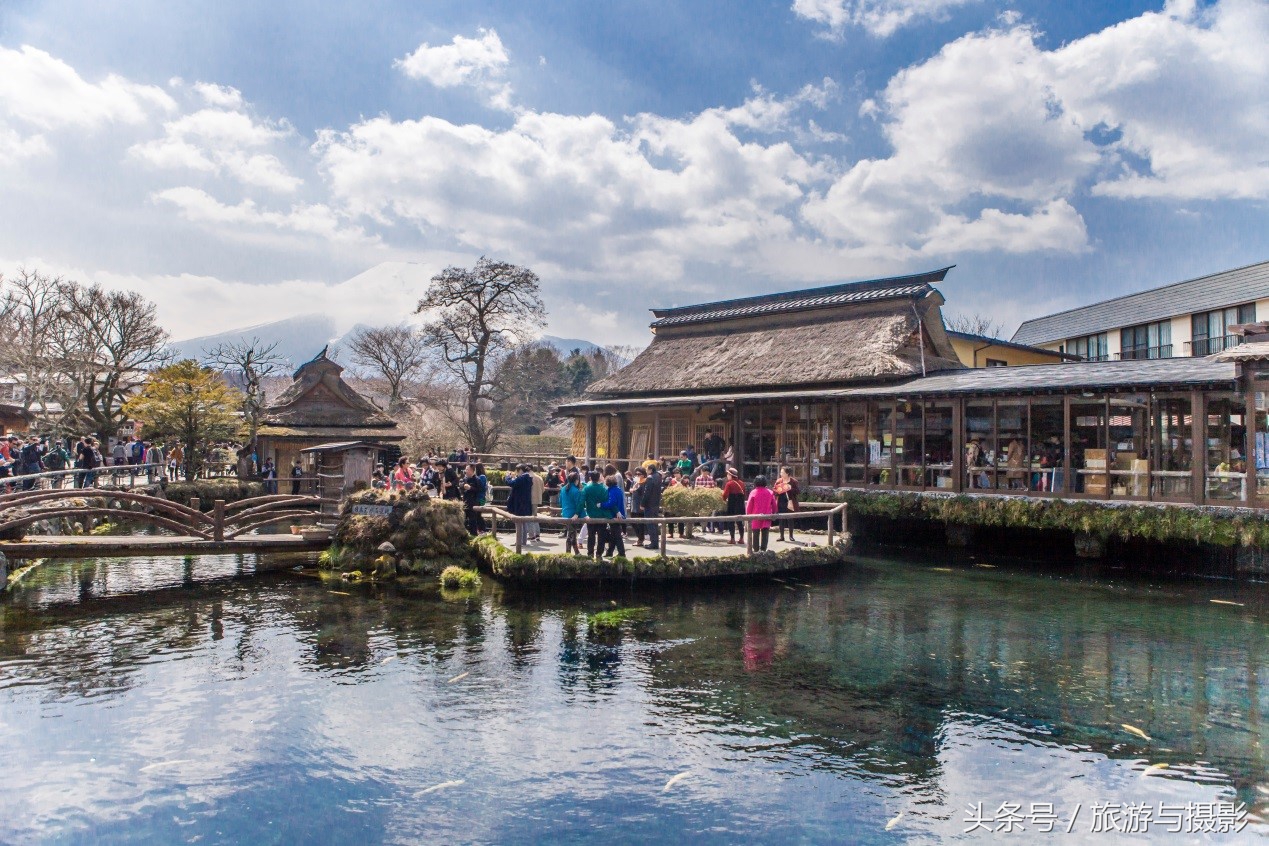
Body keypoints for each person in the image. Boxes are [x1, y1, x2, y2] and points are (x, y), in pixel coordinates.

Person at [505, 464, 536, 548]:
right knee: (524, 523)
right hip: (525, 503)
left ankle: (519, 541)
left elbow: (511, 483)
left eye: (517, 471)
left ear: (521, 470)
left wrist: (507, 477)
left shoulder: (522, 478)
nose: (516, 473)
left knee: (518, 523)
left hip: (519, 504)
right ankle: (523, 541)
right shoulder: (528, 478)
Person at [582, 470, 610, 558]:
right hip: (602, 515)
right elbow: (607, 501)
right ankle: (599, 553)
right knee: (601, 536)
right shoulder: (603, 489)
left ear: (590, 478)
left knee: (591, 536)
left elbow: (582, 502)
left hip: (591, 515)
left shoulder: (586, 488)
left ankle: (590, 553)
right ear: (599, 478)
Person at [746, 475, 777, 551]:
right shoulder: (770, 492)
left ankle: (756, 550)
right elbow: (774, 505)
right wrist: (774, 513)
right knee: (765, 533)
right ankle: (763, 550)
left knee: (755, 534)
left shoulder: (753, 492)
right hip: (767, 515)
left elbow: (749, 505)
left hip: (755, 515)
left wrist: (748, 515)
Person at [559, 470, 586, 555]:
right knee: (572, 534)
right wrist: (582, 515)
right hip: (573, 515)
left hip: (565, 513)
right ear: (576, 480)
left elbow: (560, 501)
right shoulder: (576, 491)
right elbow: (579, 504)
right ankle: (573, 553)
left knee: (570, 533)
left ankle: (570, 552)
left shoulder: (563, 489)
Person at [773, 465, 801, 543]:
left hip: (790, 501)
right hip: (781, 501)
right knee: (781, 519)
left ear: (787, 473)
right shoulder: (778, 481)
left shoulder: (793, 481)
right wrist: (778, 490)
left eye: (782, 472)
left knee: (790, 519)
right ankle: (781, 536)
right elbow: (774, 490)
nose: (780, 474)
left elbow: (798, 491)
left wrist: (789, 488)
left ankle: (791, 536)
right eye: (781, 472)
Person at [602, 474, 627, 558]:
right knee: (613, 535)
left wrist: (601, 505)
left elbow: (611, 503)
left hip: (614, 515)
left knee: (617, 535)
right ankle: (610, 552)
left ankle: (622, 553)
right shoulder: (618, 490)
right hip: (620, 514)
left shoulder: (611, 491)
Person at [461, 464, 488, 535]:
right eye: (466, 469)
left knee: (475, 517)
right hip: (466, 501)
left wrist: (470, 488)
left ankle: (477, 532)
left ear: (472, 470)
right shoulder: (465, 478)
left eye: (467, 469)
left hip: (476, 501)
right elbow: (461, 488)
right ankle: (466, 533)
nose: (466, 471)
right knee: (465, 517)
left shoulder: (478, 479)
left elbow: (480, 489)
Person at [723, 468, 747, 545]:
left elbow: (725, 495)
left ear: (731, 475)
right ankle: (741, 538)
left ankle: (732, 539)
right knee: (740, 522)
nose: (727, 475)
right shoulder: (742, 483)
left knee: (731, 521)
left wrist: (723, 498)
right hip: (740, 504)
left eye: (728, 474)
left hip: (732, 504)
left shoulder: (729, 483)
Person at [642, 464, 663, 549]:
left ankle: (653, 543)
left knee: (650, 524)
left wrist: (642, 503)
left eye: (647, 470)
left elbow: (647, 492)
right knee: (654, 524)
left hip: (649, 504)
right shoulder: (658, 476)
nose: (646, 472)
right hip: (656, 503)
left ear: (650, 470)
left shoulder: (650, 478)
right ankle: (655, 542)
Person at [628, 467, 648, 546]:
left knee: (640, 523)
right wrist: (634, 487)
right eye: (636, 474)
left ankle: (640, 539)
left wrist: (635, 487)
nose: (637, 475)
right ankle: (640, 537)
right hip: (634, 502)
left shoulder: (645, 481)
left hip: (640, 503)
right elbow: (630, 490)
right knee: (632, 521)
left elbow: (640, 491)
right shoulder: (634, 480)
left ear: (643, 474)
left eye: (639, 474)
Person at [528, 466, 545, 541]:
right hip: (537, 499)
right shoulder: (539, 477)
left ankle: (531, 535)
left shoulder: (528, 477)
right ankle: (537, 534)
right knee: (535, 516)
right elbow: (543, 489)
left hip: (529, 499)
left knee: (529, 517)